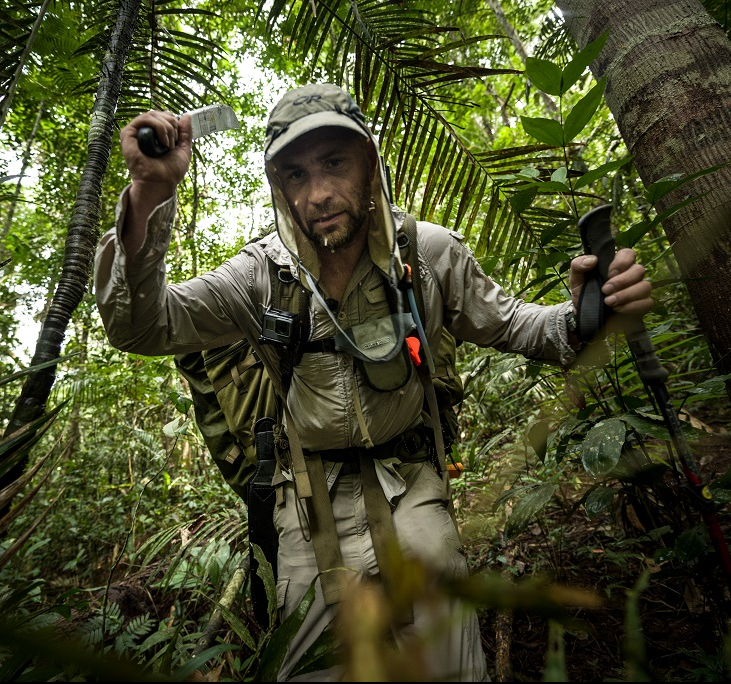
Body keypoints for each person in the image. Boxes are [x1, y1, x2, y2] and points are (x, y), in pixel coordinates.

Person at [94, 83, 653, 682]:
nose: (319, 194)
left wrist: (585, 313)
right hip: (307, 506)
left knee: (452, 663)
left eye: (335, 163)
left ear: (370, 164)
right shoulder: (261, 276)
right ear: (279, 187)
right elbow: (143, 328)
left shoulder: (426, 253)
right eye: (297, 175)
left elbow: (520, 327)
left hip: (412, 487)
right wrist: (149, 196)